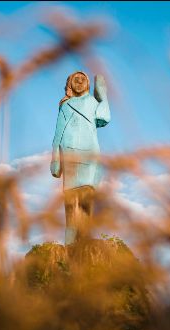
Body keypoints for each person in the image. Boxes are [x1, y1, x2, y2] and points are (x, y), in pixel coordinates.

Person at [50, 71, 110, 245]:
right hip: (69, 153)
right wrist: (55, 159)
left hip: (89, 153)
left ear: (88, 84)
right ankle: (70, 237)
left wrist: (101, 93)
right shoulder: (65, 105)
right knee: (70, 198)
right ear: (69, 84)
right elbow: (58, 134)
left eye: (83, 79)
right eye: (75, 79)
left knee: (86, 196)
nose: (79, 81)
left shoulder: (92, 102)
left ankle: (85, 235)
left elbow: (105, 117)